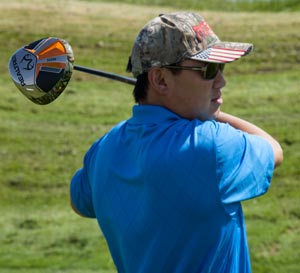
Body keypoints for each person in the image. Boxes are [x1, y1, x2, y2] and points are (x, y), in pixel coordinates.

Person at [70, 11, 283, 273]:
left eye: (221, 68)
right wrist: (216, 114)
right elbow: (273, 149)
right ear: (160, 79)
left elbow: (79, 201)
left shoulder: (101, 151)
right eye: (209, 70)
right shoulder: (211, 146)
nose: (221, 81)